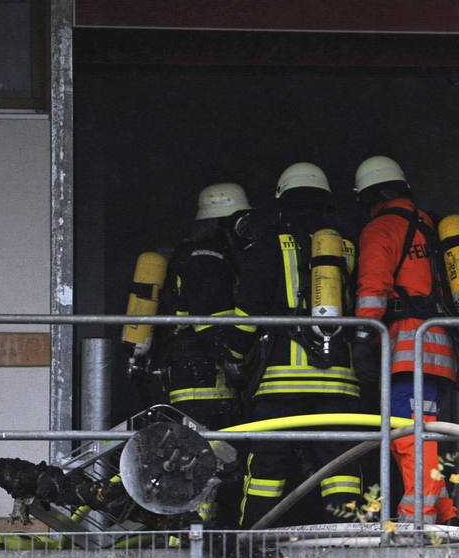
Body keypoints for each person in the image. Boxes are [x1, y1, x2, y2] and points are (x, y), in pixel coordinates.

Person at [232, 161, 365, 527]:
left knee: (268, 466)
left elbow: (249, 311)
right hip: (339, 381)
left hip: (280, 384)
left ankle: (252, 538)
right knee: (340, 465)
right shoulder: (347, 247)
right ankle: (347, 539)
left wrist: (231, 353)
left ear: (282, 201)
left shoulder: (269, 245)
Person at [352, 155, 459, 523]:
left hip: (408, 348)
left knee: (409, 436)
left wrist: (362, 337)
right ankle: (445, 513)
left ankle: (416, 518)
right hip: (444, 350)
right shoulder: (434, 229)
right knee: (426, 434)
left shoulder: (381, 228)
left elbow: (372, 291)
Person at [148, 181, 257, 525]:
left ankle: (196, 528)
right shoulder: (207, 257)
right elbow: (209, 319)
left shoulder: (197, 253)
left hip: (193, 373)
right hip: (202, 376)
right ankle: (198, 530)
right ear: (230, 221)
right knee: (208, 455)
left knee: (202, 455)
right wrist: (231, 356)